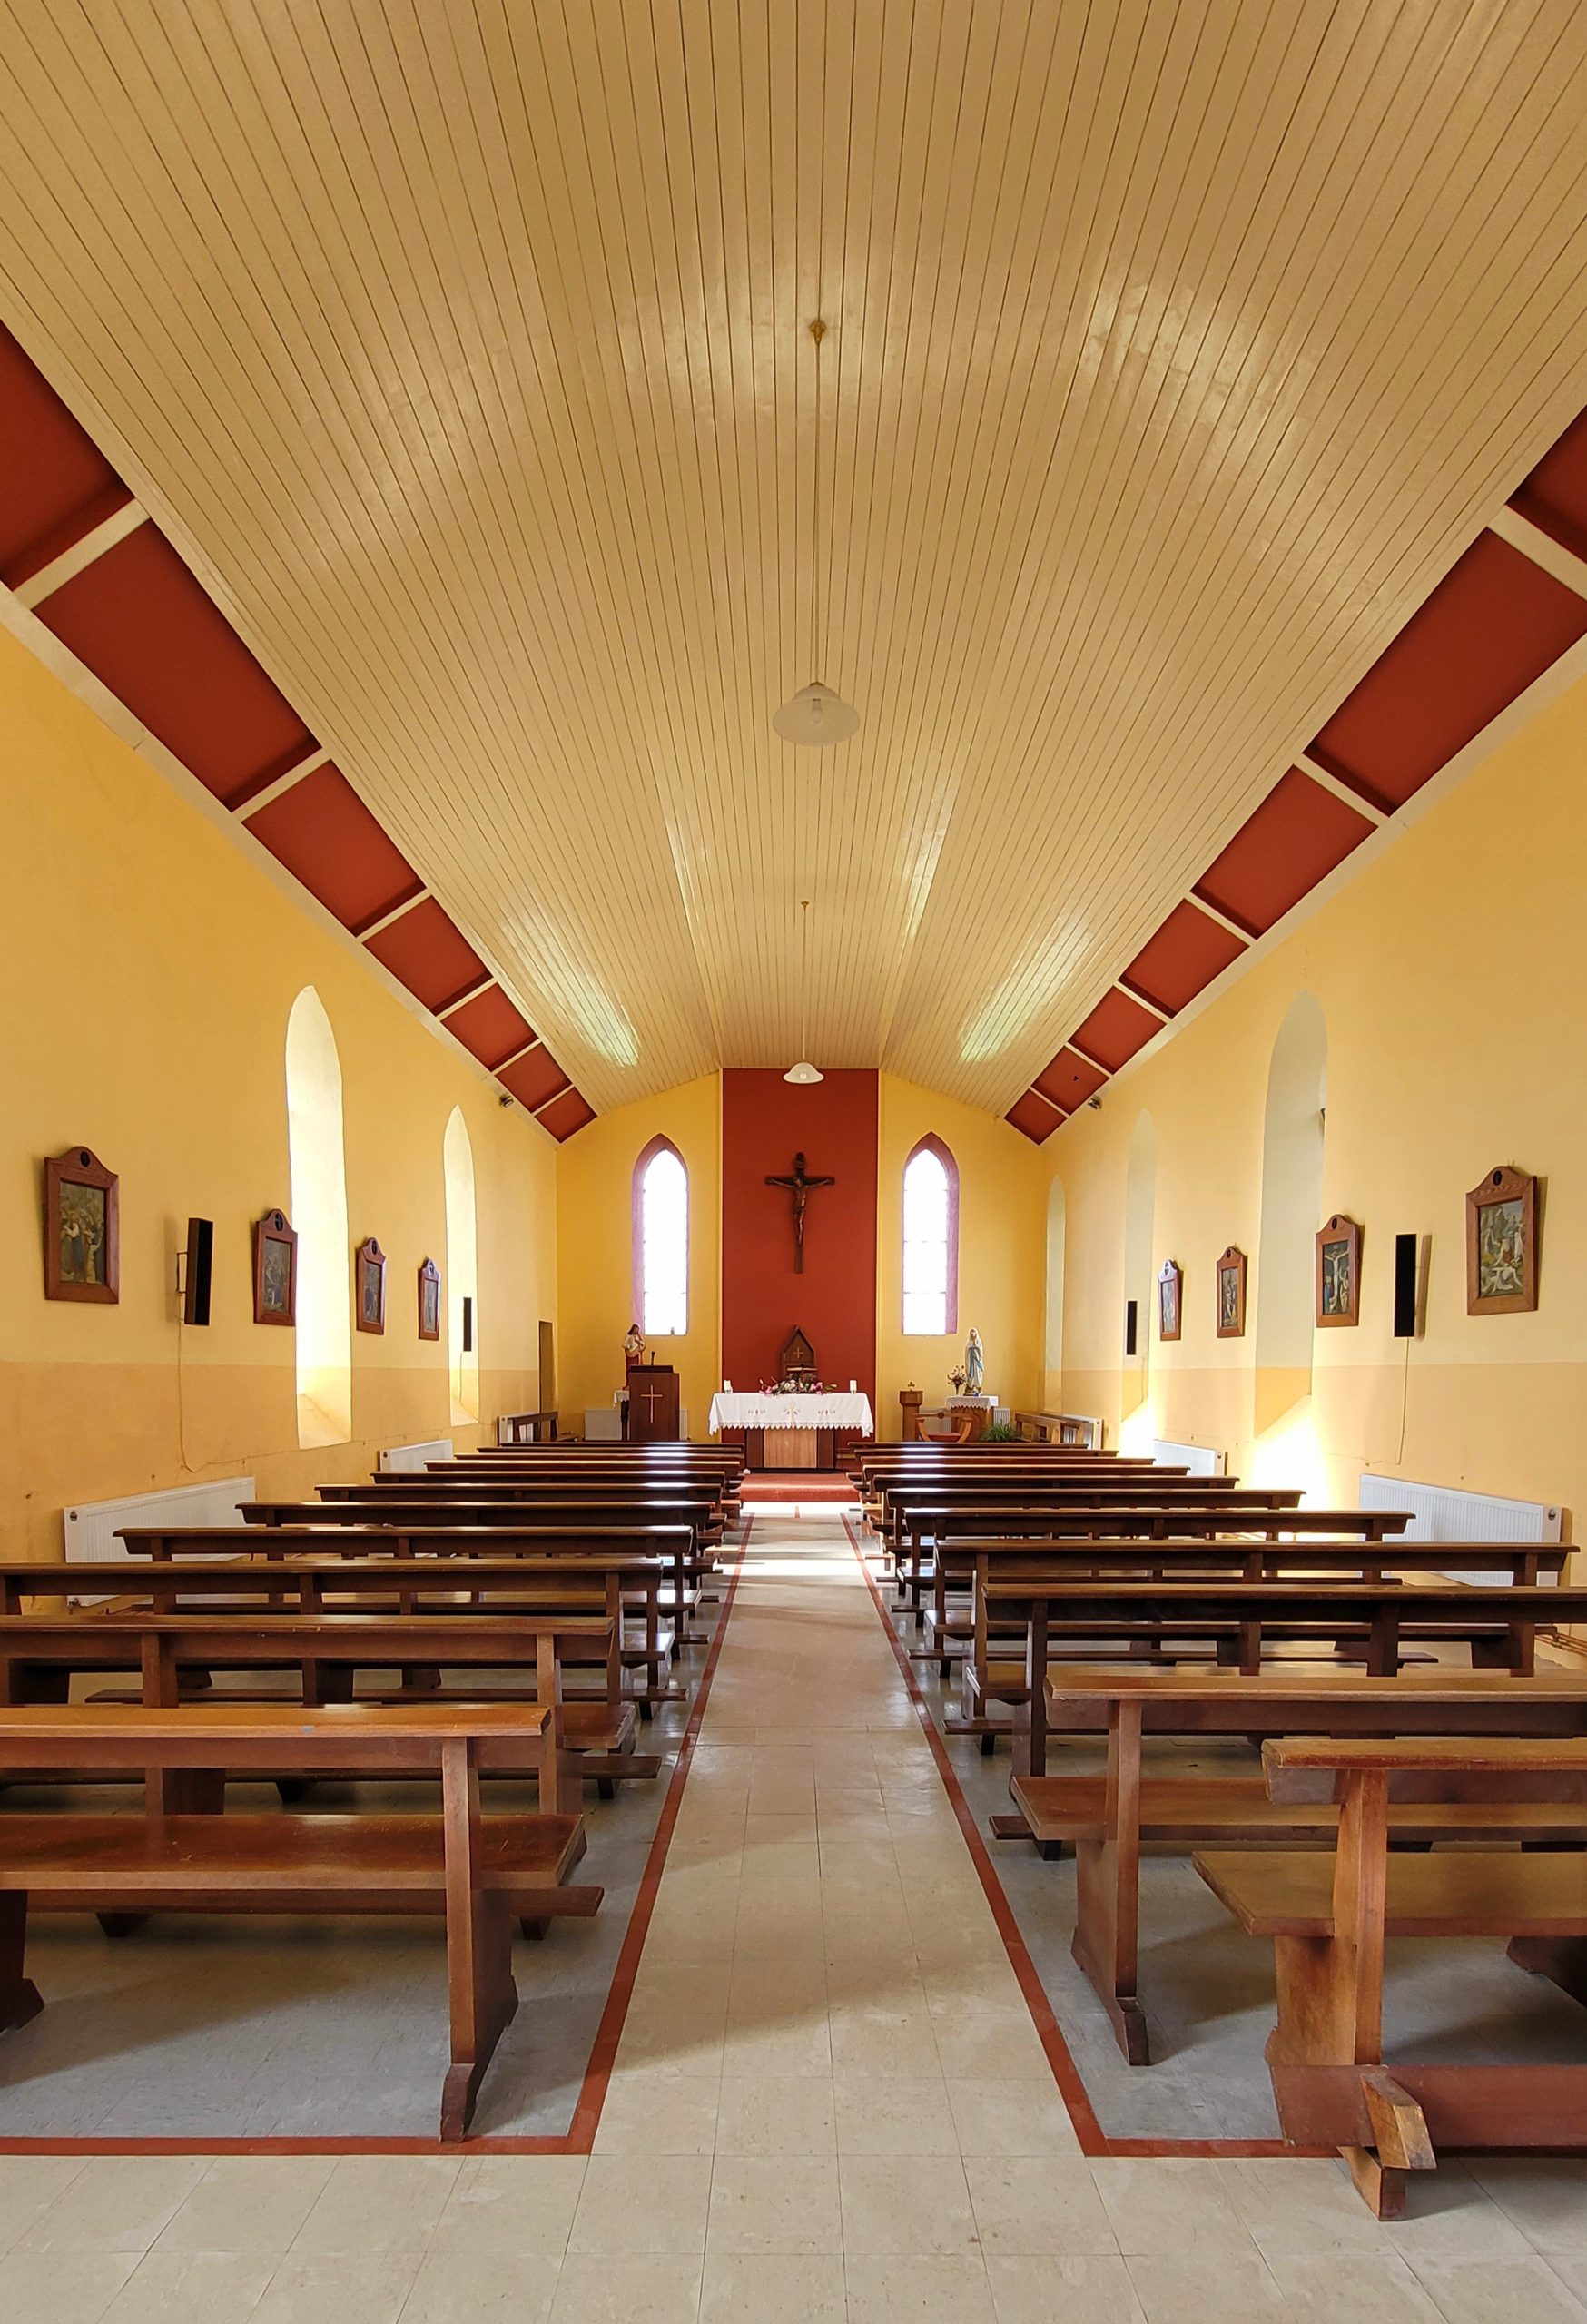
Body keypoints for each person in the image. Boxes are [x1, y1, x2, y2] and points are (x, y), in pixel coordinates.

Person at [964, 1327, 984, 1395]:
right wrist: (971, 1347)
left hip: (976, 1360)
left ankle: (977, 1387)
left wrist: (976, 1344)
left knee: (977, 1372)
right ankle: (971, 1386)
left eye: (974, 1332)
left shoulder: (979, 1342)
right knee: (971, 1373)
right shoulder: (969, 1342)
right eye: (971, 1332)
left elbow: (981, 1351)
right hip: (970, 1361)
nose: (973, 1334)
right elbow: (966, 1350)